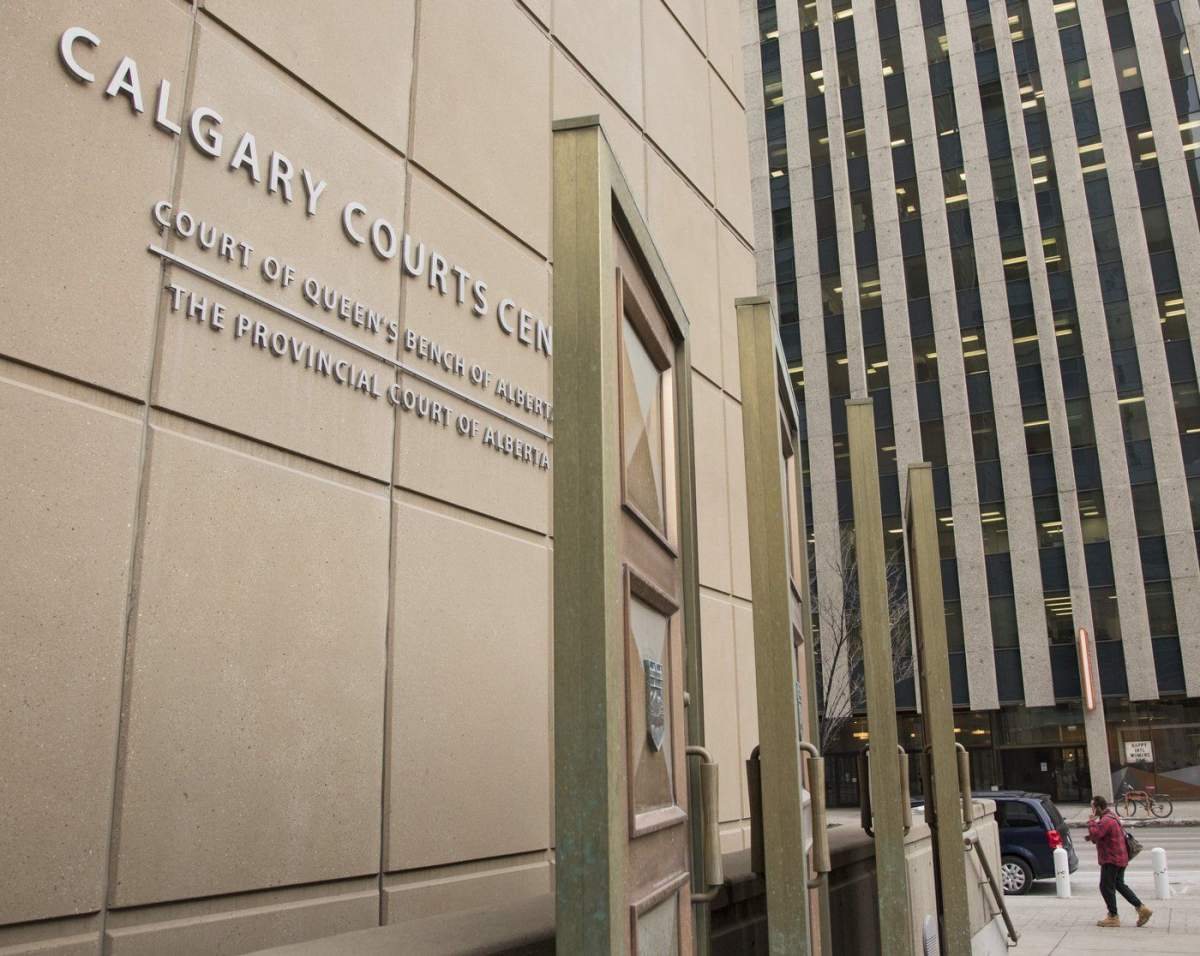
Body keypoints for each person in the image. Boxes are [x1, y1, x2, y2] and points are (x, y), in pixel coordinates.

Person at [1085, 795, 1152, 928]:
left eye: (1093, 808)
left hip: (1111, 859)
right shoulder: (1111, 816)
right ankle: (1142, 909)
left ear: (1098, 807)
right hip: (1121, 857)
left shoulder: (1105, 820)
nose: (1092, 811)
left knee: (1105, 886)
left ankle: (1113, 916)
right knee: (1119, 884)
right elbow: (1099, 836)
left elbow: (1096, 835)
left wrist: (1091, 822)